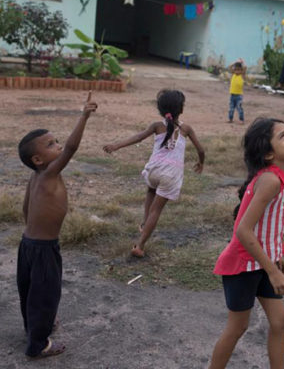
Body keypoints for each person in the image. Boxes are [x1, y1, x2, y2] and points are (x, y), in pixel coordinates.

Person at [209, 117, 284, 369]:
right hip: (241, 265)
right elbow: (243, 231)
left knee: (280, 321)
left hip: (262, 261)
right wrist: (273, 272)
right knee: (237, 327)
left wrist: (276, 254)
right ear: (269, 154)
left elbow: (270, 224)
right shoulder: (270, 180)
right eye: (282, 136)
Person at [17, 91, 97, 358]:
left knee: (30, 291)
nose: (59, 146)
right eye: (51, 145)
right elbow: (73, 148)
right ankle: (38, 345)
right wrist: (83, 116)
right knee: (46, 294)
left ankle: (35, 328)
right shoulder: (50, 172)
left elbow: (26, 209)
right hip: (43, 248)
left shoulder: (36, 177)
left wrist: (33, 233)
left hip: (28, 245)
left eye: (56, 141)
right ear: (37, 160)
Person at [103, 89, 205, 257]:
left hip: (153, 170)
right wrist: (201, 163)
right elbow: (201, 150)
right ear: (181, 109)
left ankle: (144, 222)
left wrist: (116, 145)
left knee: (151, 189)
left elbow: (138, 137)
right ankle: (140, 245)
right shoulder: (186, 129)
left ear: (161, 110)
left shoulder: (157, 126)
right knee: (156, 210)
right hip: (170, 175)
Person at [228, 59, 246, 124]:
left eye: (239, 70)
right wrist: (235, 62)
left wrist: (242, 63)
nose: (237, 71)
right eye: (236, 69)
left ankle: (241, 119)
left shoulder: (242, 76)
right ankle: (230, 119)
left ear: (241, 70)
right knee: (231, 108)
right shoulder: (233, 75)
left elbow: (245, 68)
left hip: (239, 96)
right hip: (232, 95)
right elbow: (230, 67)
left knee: (239, 108)